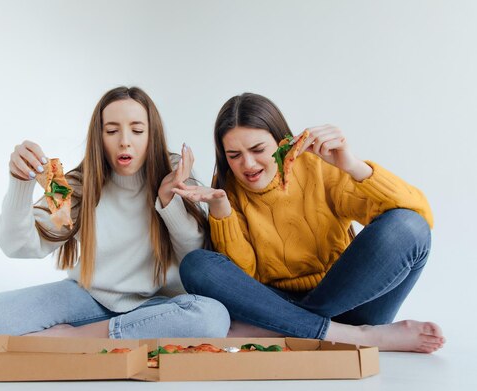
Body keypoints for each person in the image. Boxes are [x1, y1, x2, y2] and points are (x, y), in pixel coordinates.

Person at [0, 86, 230, 341]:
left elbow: (194, 259)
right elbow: (18, 246)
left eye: (137, 130)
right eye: (111, 131)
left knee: (212, 317)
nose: (124, 141)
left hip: (156, 306)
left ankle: (79, 337)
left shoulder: (176, 176)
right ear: (99, 137)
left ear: (152, 134)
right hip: (87, 298)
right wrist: (19, 183)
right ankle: (92, 335)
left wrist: (169, 201)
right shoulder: (78, 186)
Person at [175, 92, 445, 353]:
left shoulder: (317, 166)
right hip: (278, 302)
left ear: (282, 142)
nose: (248, 164)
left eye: (258, 149)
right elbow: (247, 279)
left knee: (410, 226)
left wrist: (352, 165)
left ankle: (287, 329)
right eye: (234, 155)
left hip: (349, 301)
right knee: (197, 265)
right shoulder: (227, 189)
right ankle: (359, 336)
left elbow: (420, 214)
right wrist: (221, 211)